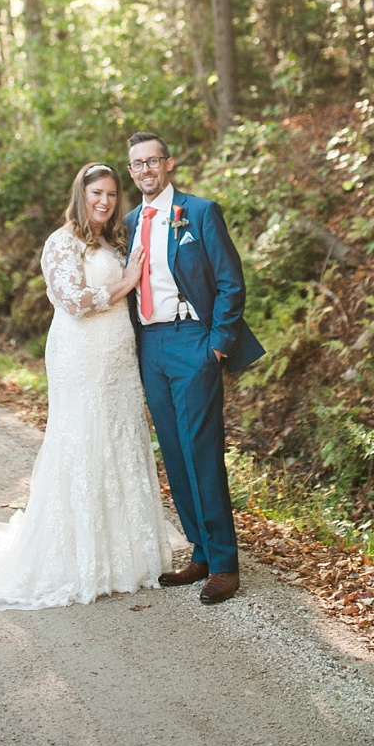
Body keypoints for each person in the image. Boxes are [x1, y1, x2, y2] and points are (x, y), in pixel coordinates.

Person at [0, 163, 177, 610]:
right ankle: (78, 558)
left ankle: (127, 556)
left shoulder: (114, 241)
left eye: (112, 195)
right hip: (80, 352)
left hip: (118, 354)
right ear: (81, 195)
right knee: (82, 438)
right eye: (97, 193)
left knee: (120, 437)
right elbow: (74, 301)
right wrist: (126, 282)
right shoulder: (61, 243)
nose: (105, 201)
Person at [124, 131, 265, 606]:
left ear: (169, 164)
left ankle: (224, 563)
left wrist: (218, 346)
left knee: (201, 449)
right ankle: (200, 553)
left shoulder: (199, 213)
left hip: (193, 342)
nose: (145, 170)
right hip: (151, 345)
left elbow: (230, 282)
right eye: (136, 165)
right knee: (173, 453)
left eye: (152, 161)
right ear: (132, 172)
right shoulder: (129, 221)